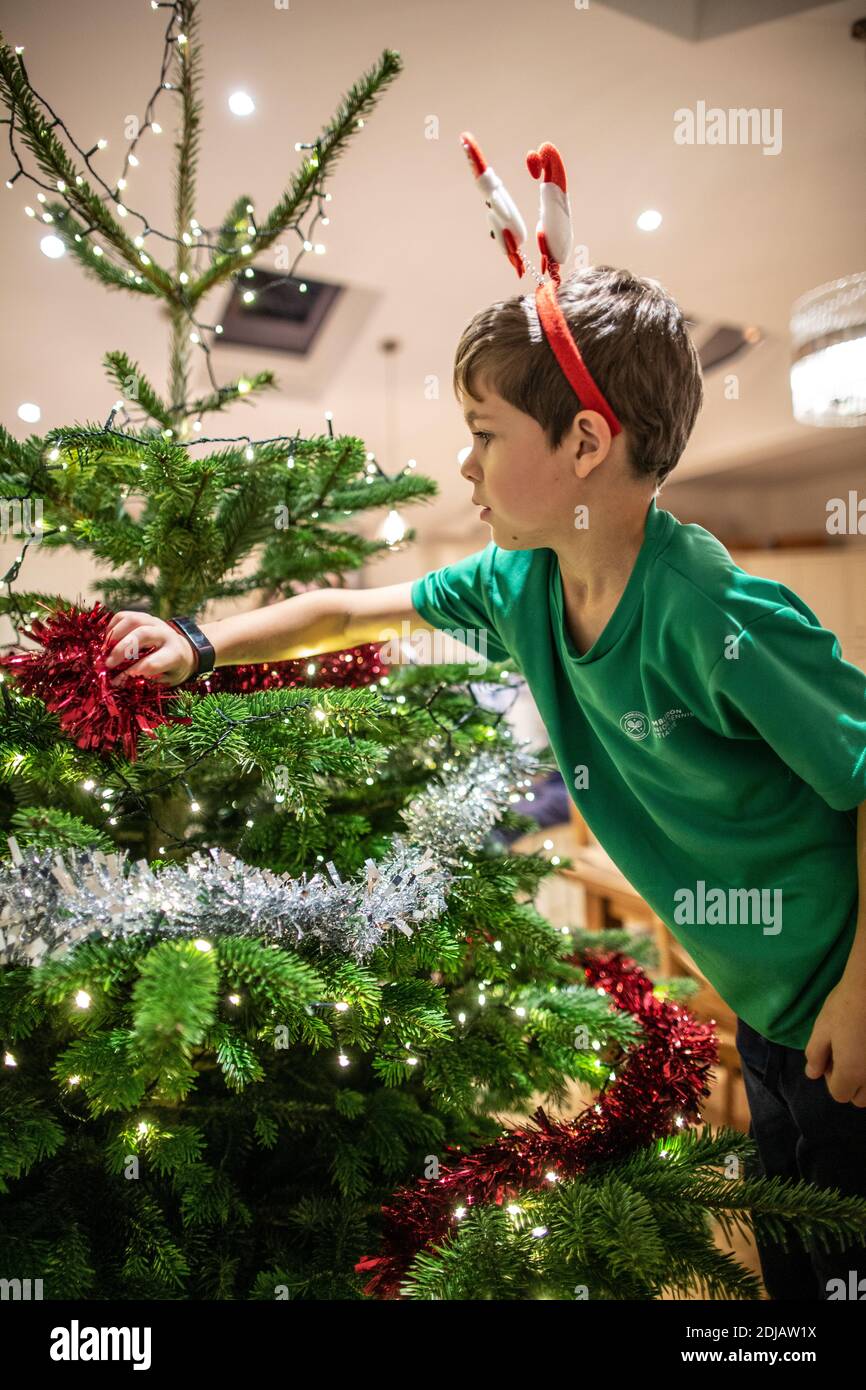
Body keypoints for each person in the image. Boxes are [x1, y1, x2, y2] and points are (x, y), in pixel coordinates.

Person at [103, 265, 866, 1299]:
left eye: (484, 431)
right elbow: (344, 609)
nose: (462, 465)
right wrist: (196, 641)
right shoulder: (522, 582)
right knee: (795, 1261)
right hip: (771, 1011)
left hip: (843, 999)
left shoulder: (710, 611)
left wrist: (860, 989)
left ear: (585, 443)